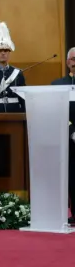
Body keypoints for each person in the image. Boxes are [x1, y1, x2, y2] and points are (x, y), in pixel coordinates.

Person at [51, 46, 75, 224]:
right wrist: (72, 131)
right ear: (67, 62)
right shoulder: (57, 85)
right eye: (73, 59)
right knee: (71, 178)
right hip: (68, 138)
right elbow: (57, 112)